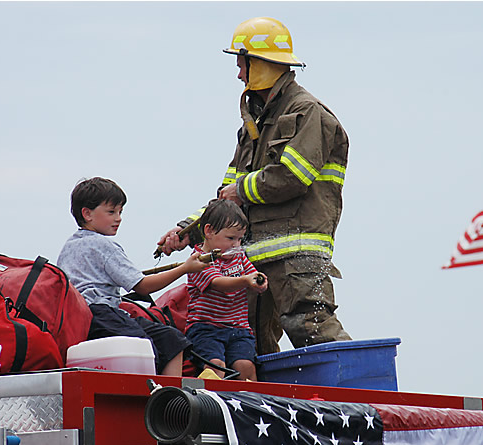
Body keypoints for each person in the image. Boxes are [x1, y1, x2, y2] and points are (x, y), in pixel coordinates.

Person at [158, 17, 351, 355]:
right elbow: (226, 198)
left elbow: (292, 177)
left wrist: (242, 190)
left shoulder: (308, 113)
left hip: (296, 256)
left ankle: (363, 401)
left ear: (259, 63)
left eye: (241, 64)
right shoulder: (257, 124)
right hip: (251, 257)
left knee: (312, 331)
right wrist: (188, 230)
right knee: (249, 347)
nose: (238, 74)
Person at [58, 177, 208, 376]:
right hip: (101, 314)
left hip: (83, 317)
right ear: (87, 214)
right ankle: (158, 401)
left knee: (171, 340)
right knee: (147, 348)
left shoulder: (68, 246)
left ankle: (167, 396)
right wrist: (185, 268)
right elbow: (143, 286)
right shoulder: (104, 245)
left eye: (120, 212)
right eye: (111, 212)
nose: (118, 218)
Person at [185, 199, 268, 380]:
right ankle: (211, 403)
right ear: (208, 231)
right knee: (216, 366)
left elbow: (252, 275)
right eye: (230, 238)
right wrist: (246, 280)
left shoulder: (239, 257)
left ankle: (249, 404)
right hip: (206, 328)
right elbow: (218, 283)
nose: (236, 245)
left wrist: (259, 282)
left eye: (240, 239)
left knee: (245, 367)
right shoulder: (199, 260)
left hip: (239, 329)